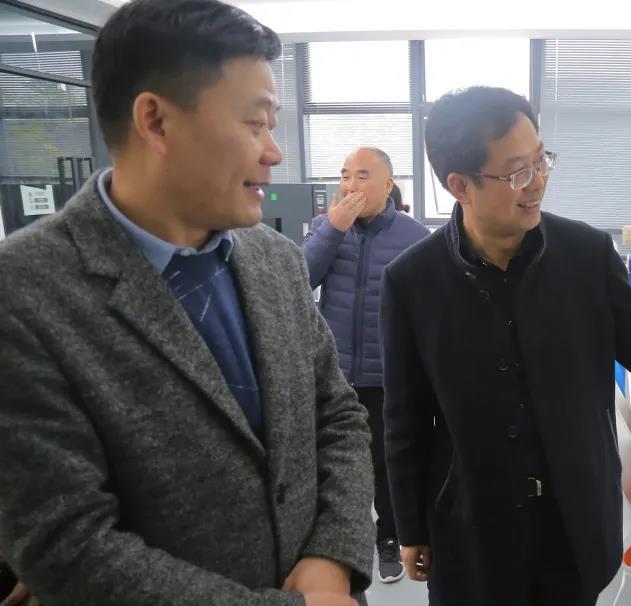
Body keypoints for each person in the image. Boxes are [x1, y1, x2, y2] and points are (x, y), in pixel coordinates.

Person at [0, 1, 374, 605]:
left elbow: (338, 415)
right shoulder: (26, 291)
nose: (274, 152)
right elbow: (67, 544)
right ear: (156, 121)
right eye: (255, 124)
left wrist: (334, 558)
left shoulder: (276, 260)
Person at [379, 85, 631, 606]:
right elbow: (404, 418)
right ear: (460, 185)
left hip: (571, 526)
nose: (538, 182)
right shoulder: (413, 281)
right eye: (517, 172)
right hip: (471, 530)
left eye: (541, 160)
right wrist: (409, 526)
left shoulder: (585, 256)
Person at [302, 147, 429, 583]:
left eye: (361, 176)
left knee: (386, 464)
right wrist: (332, 230)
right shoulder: (326, 228)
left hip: (384, 374)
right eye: (344, 176)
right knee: (331, 462)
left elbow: (427, 311)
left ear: (387, 185)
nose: (350, 185)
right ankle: (333, 544)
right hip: (333, 374)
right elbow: (299, 280)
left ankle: (389, 538)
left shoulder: (414, 237)